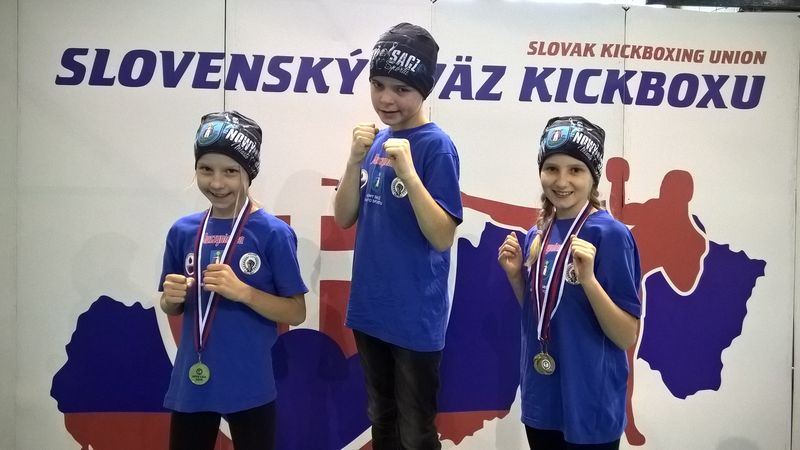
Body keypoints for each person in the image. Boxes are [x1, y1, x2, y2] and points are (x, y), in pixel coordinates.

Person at [333, 22, 463, 450]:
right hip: (371, 308)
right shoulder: (375, 143)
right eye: (378, 85)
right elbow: (344, 216)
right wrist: (353, 162)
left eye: (402, 89)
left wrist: (409, 173)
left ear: (423, 91)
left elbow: (442, 236)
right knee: (382, 420)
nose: (386, 99)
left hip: (414, 317)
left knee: (416, 431)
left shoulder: (436, 146)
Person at [158, 111, 308, 450]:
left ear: (249, 173)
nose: (216, 183)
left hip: (249, 382)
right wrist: (170, 298)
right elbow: (171, 305)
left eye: (230, 171)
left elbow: (296, 312)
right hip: (193, 380)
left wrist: (244, 292)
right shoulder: (183, 231)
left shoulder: (272, 233)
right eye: (205, 169)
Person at [497, 116, 641, 449]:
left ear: (593, 177)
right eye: (552, 168)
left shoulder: (611, 235)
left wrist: (588, 280)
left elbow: (625, 335)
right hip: (542, 399)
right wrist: (516, 276)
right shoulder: (537, 233)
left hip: (590, 402)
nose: (562, 181)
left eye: (575, 170)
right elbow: (541, 314)